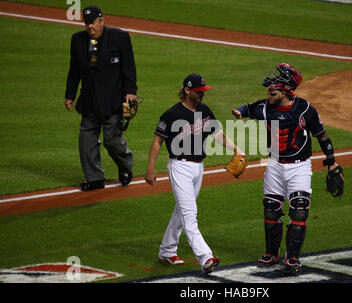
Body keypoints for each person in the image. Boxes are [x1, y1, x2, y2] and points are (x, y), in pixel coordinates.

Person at [231, 63, 344, 273]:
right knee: (271, 209)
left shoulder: (305, 109)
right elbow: (249, 107)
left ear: (285, 91)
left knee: (299, 209)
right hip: (274, 165)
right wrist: (239, 111)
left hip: (299, 167)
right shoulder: (265, 107)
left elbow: (322, 135)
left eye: (272, 92)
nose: (268, 96)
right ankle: (271, 254)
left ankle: (292, 258)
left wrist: (332, 161)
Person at [145, 73, 246, 275]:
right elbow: (158, 141)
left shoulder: (204, 111)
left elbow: (217, 134)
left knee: (181, 211)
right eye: (198, 91)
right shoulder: (171, 114)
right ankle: (206, 257)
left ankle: (167, 250)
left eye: (203, 91)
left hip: (198, 167)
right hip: (179, 167)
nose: (202, 94)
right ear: (187, 90)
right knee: (190, 214)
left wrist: (236, 149)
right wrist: (150, 168)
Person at [64, 5, 137, 191]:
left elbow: (129, 66)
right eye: (87, 23)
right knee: (86, 142)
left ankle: (125, 166)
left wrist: (131, 90)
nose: (90, 26)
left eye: (93, 22)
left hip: (113, 101)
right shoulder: (77, 40)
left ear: (102, 21)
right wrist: (70, 95)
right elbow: (74, 70)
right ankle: (95, 178)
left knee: (112, 141)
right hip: (89, 101)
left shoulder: (119, 38)